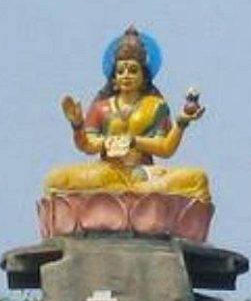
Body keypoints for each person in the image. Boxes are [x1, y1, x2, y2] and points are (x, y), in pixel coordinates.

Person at [43, 26, 210, 203]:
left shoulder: (155, 106)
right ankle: (134, 199)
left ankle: (135, 199)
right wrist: (77, 126)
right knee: (55, 179)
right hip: (108, 173)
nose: (126, 75)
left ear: (143, 76)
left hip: (144, 174)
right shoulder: (101, 107)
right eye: (121, 71)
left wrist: (180, 123)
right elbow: (88, 146)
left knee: (198, 179)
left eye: (132, 70)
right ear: (113, 78)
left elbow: (165, 149)